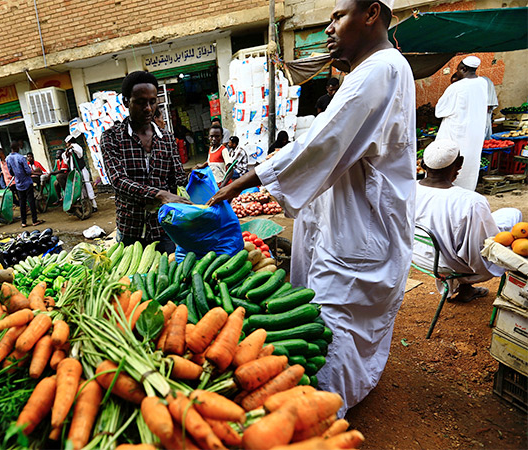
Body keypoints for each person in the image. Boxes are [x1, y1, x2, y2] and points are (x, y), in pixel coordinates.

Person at [207, 0, 415, 416]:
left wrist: (243, 182)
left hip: (358, 231)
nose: (328, 29)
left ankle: (321, 419)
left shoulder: (379, 71)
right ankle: (335, 401)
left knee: (335, 329)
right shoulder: (381, 70)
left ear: (372, 13)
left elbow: (320, 144)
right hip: (351, 224)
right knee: (343, 326)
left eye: (338, 17)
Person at [413, 140, 520, 303]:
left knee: (503, 217)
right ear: (460, 164)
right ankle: (470, 285)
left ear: (423, 164)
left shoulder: (408, 189)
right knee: (514, 216)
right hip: (450, 264)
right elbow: (480, 249)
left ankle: (466, 289)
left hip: (418, 255)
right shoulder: (471, 201)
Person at [101, 70, 189, 254]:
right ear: (126, 102)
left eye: (152, 101)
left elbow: (176, 180)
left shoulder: (166, 138)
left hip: (163, 227)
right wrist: (159, 194)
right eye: (140, 102)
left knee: (168, 276)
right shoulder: (112, 138)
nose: (148, 108)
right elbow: (118, 181)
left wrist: (195, 178)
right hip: (130, 229)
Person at [434, 55, 488, 191]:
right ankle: (467, 191)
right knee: (469, 165)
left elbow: (439, 111)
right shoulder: (482, 83)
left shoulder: (456, 87)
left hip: (457, 133)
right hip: (474, 134)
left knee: (452, 163)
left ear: (463, 69)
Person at [6, 141, 44, 227]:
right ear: (17, 148)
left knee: (22, 202)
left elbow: (11, 172)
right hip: (27, 182)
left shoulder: (8, 158)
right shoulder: (21, 158)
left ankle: (24, 222)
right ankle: (34, 220)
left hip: (18, 183)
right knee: (31, 201)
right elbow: (27, 171)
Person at [64, 137, 98, 212]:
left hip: (81, 170)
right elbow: (65, 160)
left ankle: (94, 205)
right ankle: (85, 205)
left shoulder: (76, 147)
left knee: (87, 185)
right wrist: (67, 152)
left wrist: (73, 149)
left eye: (67, 143)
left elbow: (80, 154)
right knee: (80, 188)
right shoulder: (68, 150)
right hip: (75, 172)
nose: (66, 145)